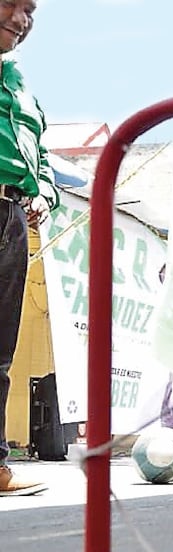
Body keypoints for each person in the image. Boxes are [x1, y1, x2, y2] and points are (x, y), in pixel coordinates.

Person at [0, 0, 56, 497]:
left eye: (30, 10)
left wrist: (43, 192)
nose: (22, 19)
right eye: (11, 4)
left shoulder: (22, 86)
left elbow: (42, 156)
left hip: (12, 217)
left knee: (1, 348)